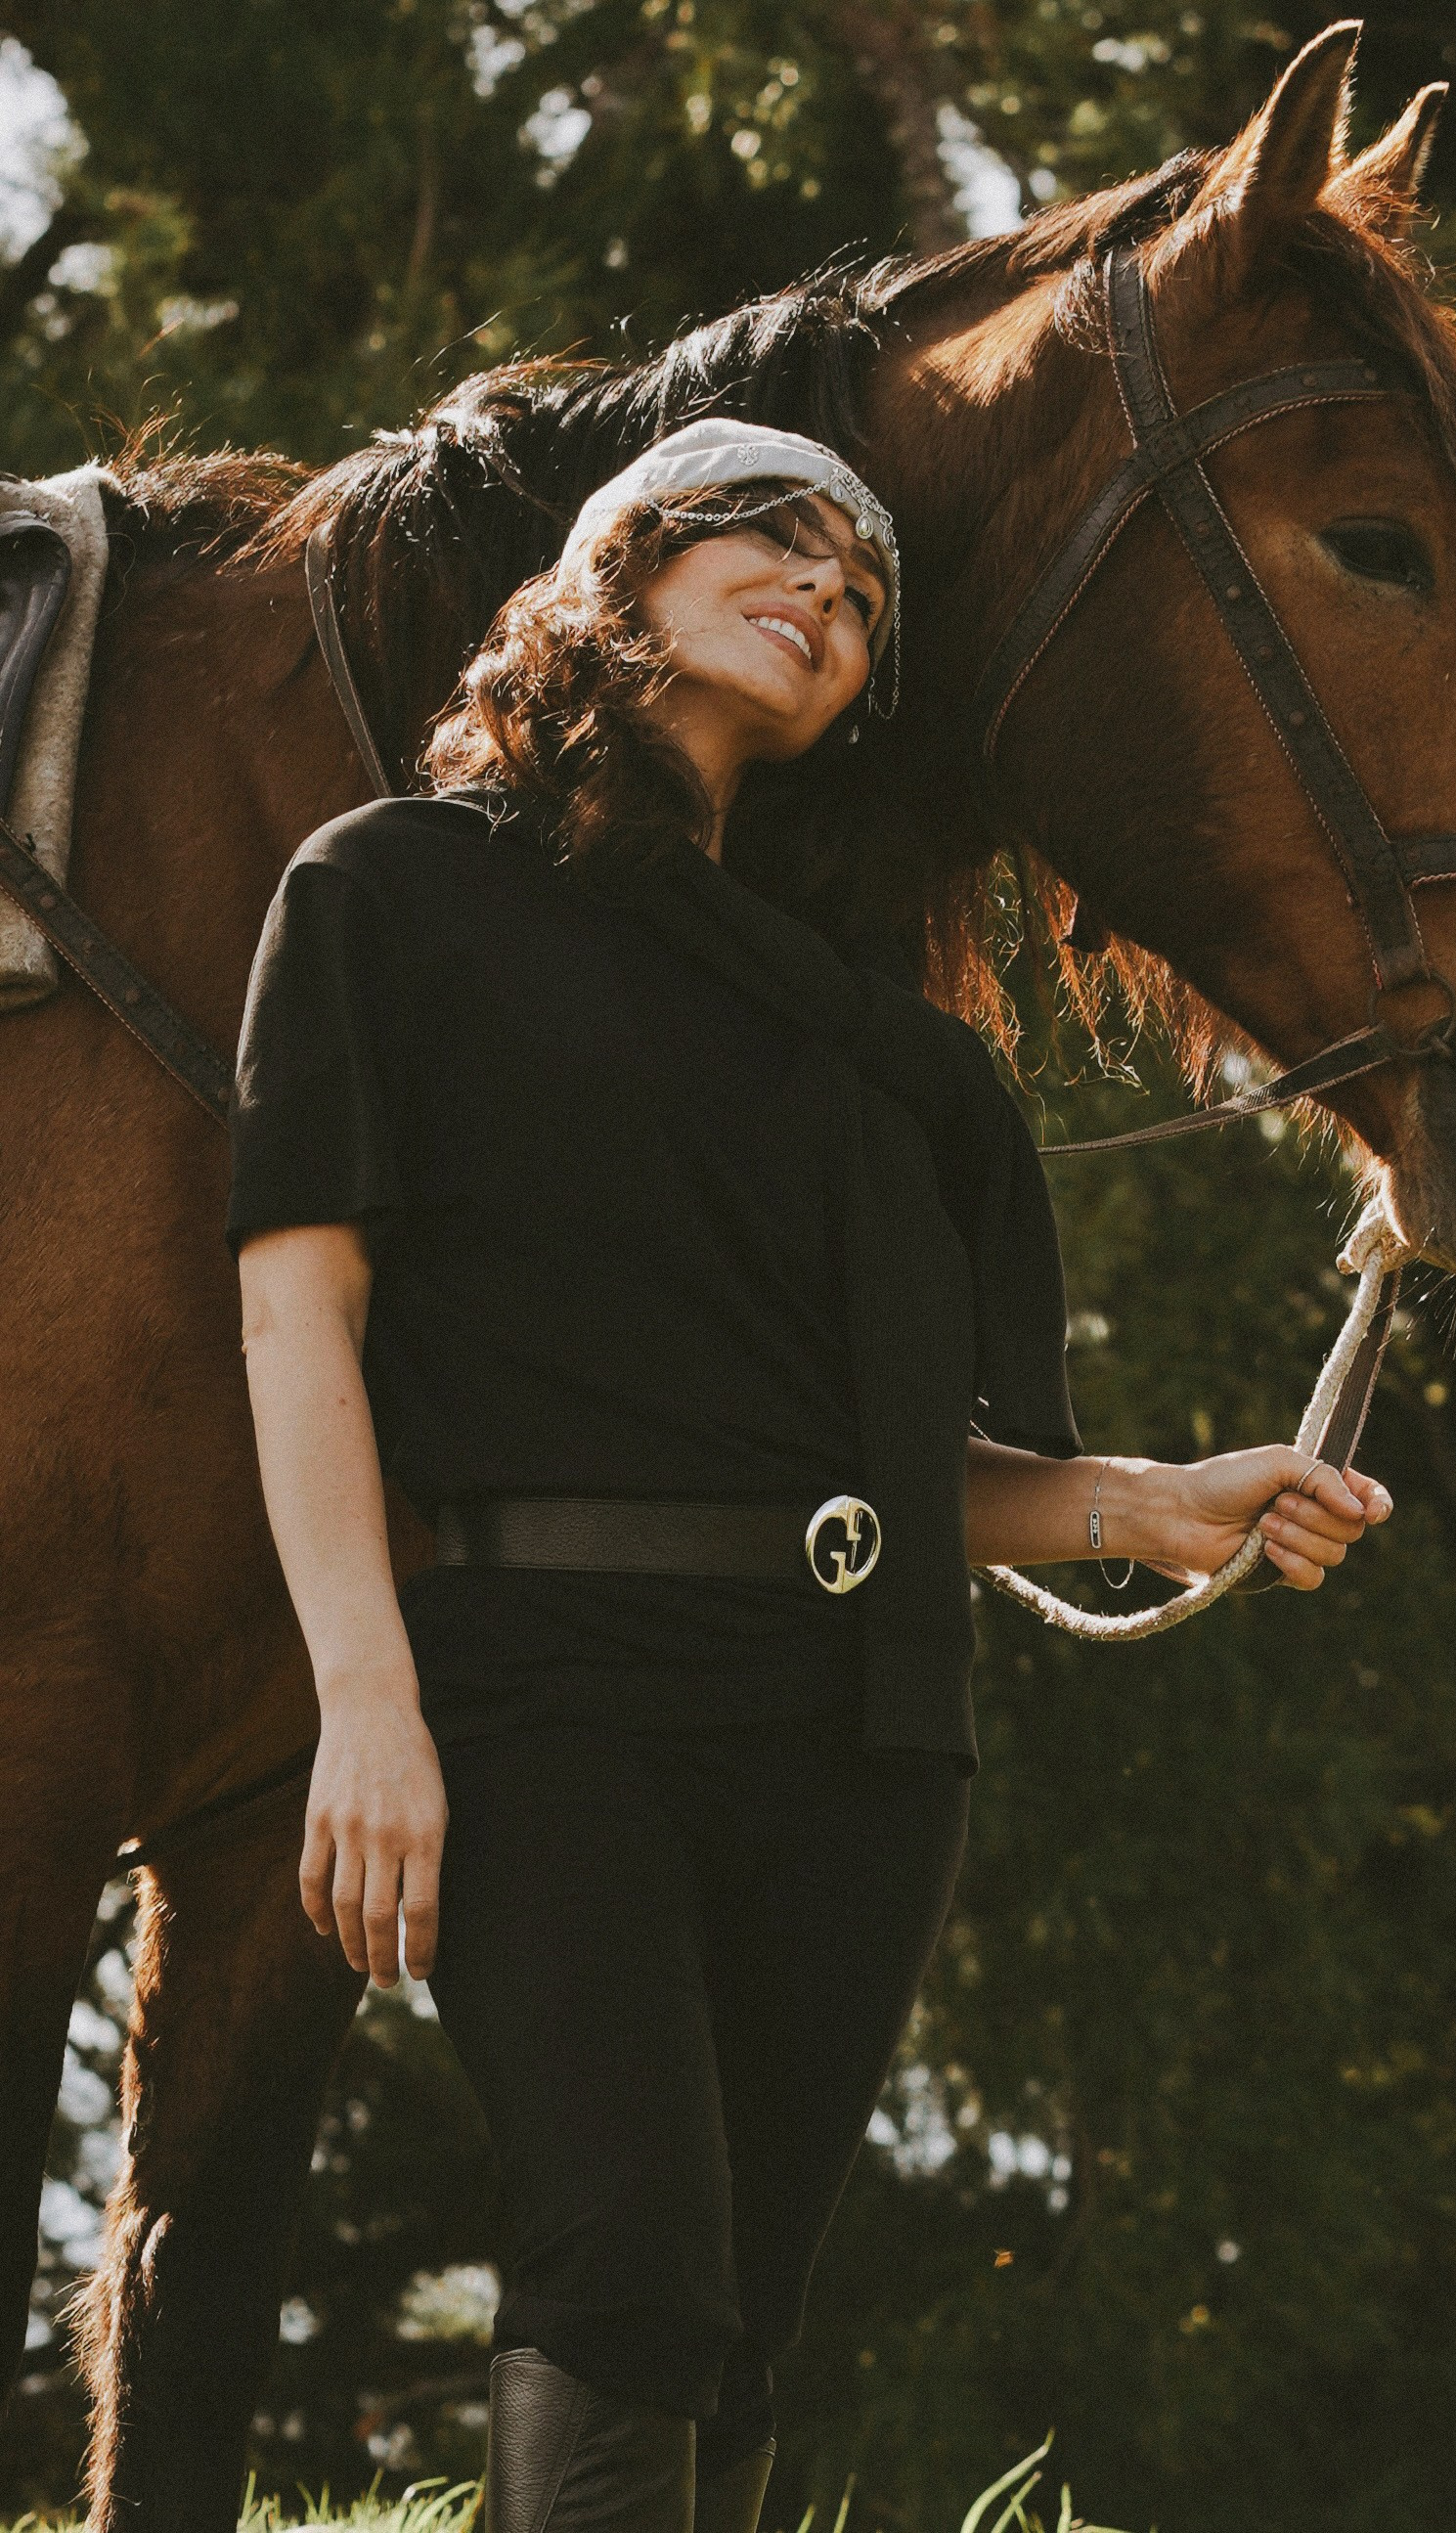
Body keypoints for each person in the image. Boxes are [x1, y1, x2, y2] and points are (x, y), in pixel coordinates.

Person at [229, 418, 1390, 2533]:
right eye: (780, 538)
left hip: (858, 1719)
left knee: (743, 2307)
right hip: (542, 1683)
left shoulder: (846, 1029)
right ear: (621, 571)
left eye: (866, 595)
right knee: (631, 2249)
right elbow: (296, 1315)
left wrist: (1141, 1497)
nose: (833, 596)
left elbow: (863, 1459)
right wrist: (367, 1697)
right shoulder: (389, 890)